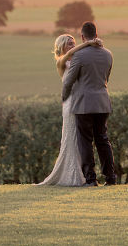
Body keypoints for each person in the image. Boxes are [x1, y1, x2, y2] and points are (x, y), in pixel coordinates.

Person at [38, 33, 103, 186]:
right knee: (71, 137)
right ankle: (72, 174)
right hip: (70, 102)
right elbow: (68, 55)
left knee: (80, 138)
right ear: (61, 47)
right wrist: (89, 43)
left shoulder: (78, 61)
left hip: (82, 101)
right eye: (69, 44)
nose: (73, 46)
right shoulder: (61, 61)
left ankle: (84, 174)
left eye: (74, 43)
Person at [61, 21, 116, 187]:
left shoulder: (79, 56)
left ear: (82, 36)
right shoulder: (108, 54)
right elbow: (106, 78)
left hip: (83, 103)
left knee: (85, 141)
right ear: (96, 36)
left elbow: (68, 81)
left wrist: (65, 99)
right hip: (102, 102)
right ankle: (110, 177)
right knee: (103, 140)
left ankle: (91, 179)